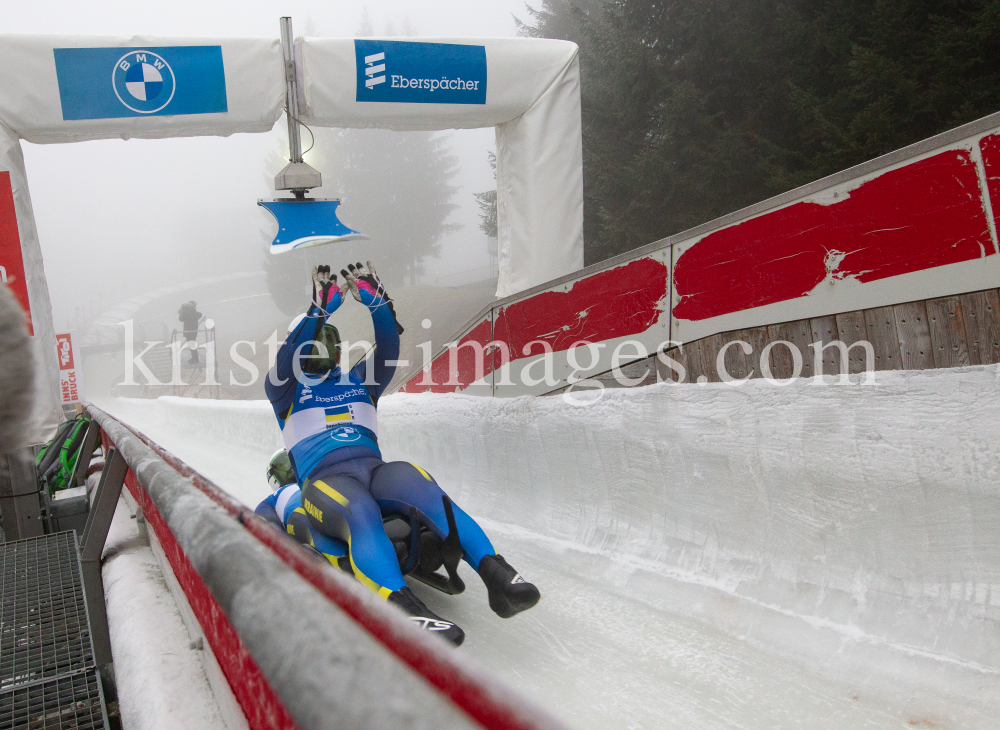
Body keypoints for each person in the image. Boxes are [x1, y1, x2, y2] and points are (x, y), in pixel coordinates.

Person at [264, 262, 539, 645]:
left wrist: (377, 302)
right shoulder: (285, 393)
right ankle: (404, 607)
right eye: (315, 341)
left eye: (328, 340)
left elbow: (389, 345)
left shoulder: (359, 379)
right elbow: (281, 366)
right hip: (326, 484)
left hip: (376, 471)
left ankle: (497, 572)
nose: (323, 349)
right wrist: (318, 310)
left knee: (420, 483)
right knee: (357, 511)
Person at [177, 300, 202, 365]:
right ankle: (194, 358)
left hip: (191, 331)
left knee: (192, 344)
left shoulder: (193, 314)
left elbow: (198, 315)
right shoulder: (189, 314)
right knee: (191, 344)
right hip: (189, 331)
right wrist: (185, 312)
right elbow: (181, 318)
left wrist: (188, 311)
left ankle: (195, 359)